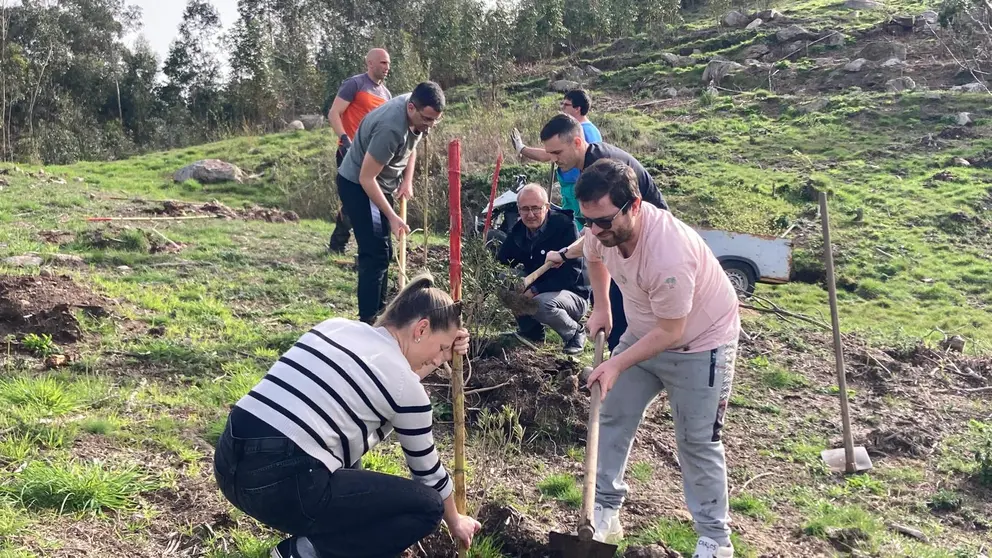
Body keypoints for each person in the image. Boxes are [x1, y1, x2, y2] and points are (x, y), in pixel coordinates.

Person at [213, 273, 483, 558]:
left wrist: (444, 349)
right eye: (441, 349)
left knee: (348, 457)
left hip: (229, 463)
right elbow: (428, 475)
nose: (439, 360)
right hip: (280, 485)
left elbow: (400, 378)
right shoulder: (404, 386)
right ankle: (303, 553)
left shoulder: (337, 327)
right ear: (421, 328)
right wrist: (456, 520)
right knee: (427, 506)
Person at [574, 159, 741, 558]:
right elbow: (593, 255)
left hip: (700, 345)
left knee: (697, 441)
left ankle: (715, 541)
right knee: (611, 415)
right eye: (587, 220)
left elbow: (671, 332)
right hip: (642, 333)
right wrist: (602, 307)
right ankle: (604, 511)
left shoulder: (669, 253)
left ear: (634, 205)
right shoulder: (600, 229)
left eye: (603, 221)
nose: (594, 230)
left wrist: (615, 363)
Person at [539, 113, 667, 353]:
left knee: (622, 313)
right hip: (624, 239)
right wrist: (566, 253)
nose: (554, 160)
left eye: (557, 153)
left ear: (577, 142)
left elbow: (602, 233)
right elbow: (595, 234)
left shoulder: (600, 169)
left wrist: (566, 254)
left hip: (646, 243)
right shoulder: (591, 162)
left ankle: (622, 360)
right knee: (616, 312)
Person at [336, 81, 444, 324]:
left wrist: (407, 181)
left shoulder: (417, 111)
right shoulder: (390, 128)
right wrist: (393, 217)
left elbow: (411, 145)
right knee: (374, 253)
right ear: (411, 108)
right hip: (358, 185)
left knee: (383, 251)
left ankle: (382, 314)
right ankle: (369, 320)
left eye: (435, 120)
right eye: (427, 119)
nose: (430, 125)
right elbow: (366, 178)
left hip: (379, 184)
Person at [495, 183, 590, 354]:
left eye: (535, 208)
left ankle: (574, 332)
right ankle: (531, 332)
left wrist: (536, 289)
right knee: (504, 281)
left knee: (539, 303)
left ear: (546, 207)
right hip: (538, 286)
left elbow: (571, 275)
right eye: (525, 209)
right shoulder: (519, 230)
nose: (530, 214)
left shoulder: (565, 227)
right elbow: (502, 262)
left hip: (572, 293)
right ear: (518, 209)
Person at [327, 48, 393, 254]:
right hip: (349, 152)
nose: (387, 67)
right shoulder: (355, 84)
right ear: (370, 63)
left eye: (388, 63)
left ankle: (367, 246)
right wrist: (344, 139)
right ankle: (339, 244)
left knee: (371, 201)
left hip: (372, 156)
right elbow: (334, 113)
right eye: (383, 62)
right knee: (353, 200)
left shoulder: (386, 95)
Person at [510, 89, 603, 230]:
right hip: (572, 187)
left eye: (566, 105)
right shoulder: (590, 129)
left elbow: (546, 156)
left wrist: (522, 149)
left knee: (576, 227)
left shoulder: (582, 131)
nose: (562, 108)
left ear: (577, 108)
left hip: (576, 186)